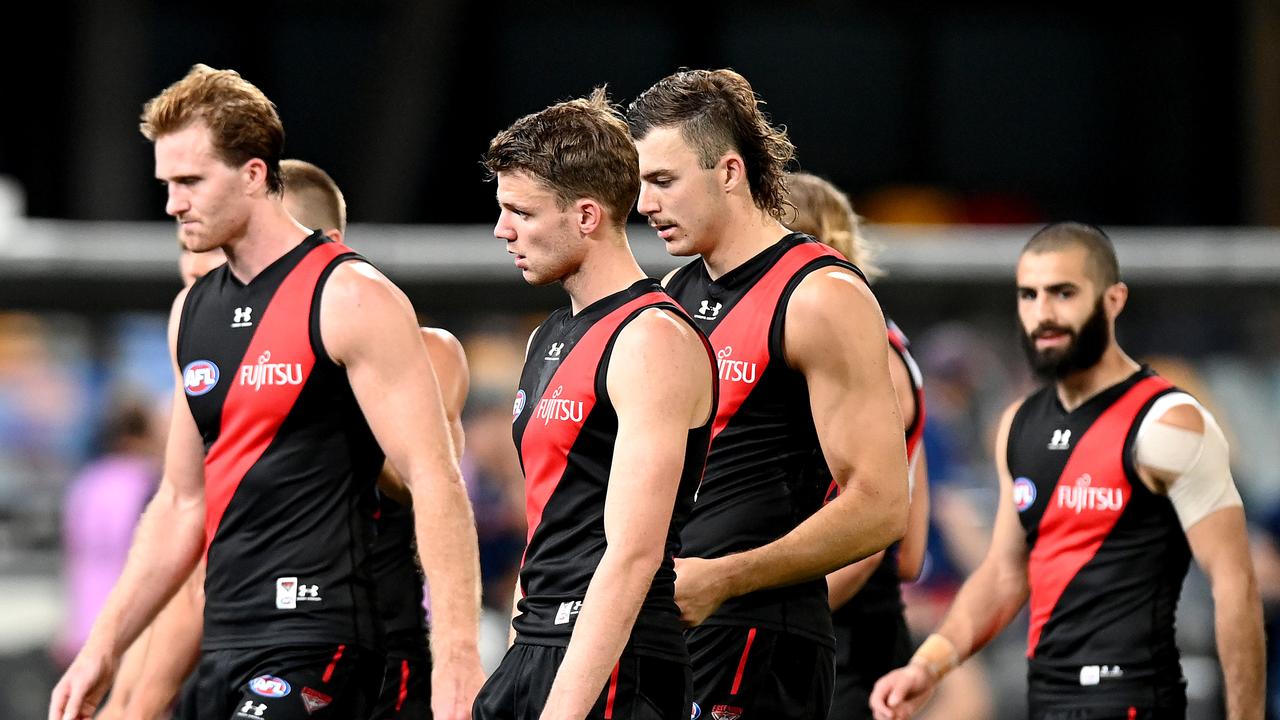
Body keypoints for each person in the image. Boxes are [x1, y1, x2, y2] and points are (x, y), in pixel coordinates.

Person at [48, 64, 484, 720]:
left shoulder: (349, 296)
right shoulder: (191, 312)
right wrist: (102, 650)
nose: (172, 204)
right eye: (166, 184)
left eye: (190, 182)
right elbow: (179, 503)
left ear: (254, 174)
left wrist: (458, 654)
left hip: (324, 638)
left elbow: (436, 480)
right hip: (227, 637)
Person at [870, 222, 1265, 720]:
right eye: (1029, 295)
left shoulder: (1169, 422)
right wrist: (927, 665)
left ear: (1113, 300)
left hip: (1133, 701)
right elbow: (1004, 573)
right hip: (1048, 701)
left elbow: (1235, 585)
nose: (1043, 313)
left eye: (1063, 293)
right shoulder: (1019, 425)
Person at [627, 69, 909, 720]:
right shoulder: (675, 290)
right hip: (672, 630)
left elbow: (883, 506)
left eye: (663, 181)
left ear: (729, 172)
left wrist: (724, 577)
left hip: (760, 637)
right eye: (640, 184)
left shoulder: (820, 296)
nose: (645, 204)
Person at [473, 88, 717, 720]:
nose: (503, 230)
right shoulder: (549, 334)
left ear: (586, 216)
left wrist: (563, 709)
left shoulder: (652, 339)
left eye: (520, 212)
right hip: (536, 644)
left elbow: (633, 553)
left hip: (615, 658)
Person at [784, 172, 931, 720]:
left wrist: (772, 611)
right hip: (843, 619)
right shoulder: (883, 352)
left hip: (839, 632)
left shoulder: (867, 361)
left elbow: (873, 528)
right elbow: (910, 555)